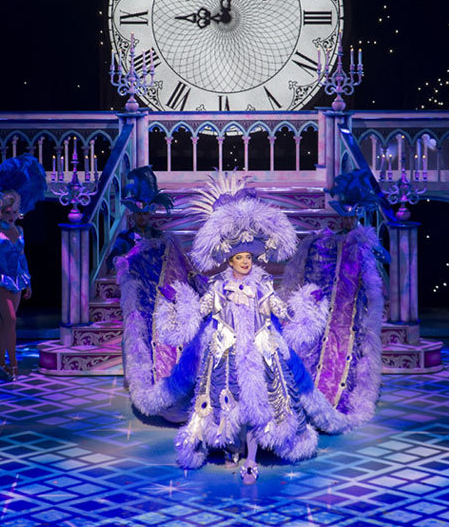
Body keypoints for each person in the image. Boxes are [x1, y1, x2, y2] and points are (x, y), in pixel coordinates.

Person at [156, 172, 331, 484]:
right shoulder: (219, 287)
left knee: (261, 402)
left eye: (248, 257)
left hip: (261, 351)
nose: (245, 262)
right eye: (239, 257)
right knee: (225, 399)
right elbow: (200, 311)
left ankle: (252, 457)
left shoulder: (263, 285)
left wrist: (307, 304)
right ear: (230, 260)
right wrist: (176, 302)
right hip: (225, 352)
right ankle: (229, 448)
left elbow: (283, 311)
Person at [281, 168, 384, 432]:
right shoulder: (323, 241)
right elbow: (310, 272)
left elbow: (377, 271)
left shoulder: (361, 243)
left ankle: (334, 402)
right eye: (344, 216)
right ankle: (309, 401)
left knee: (346, 352)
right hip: (326, 310)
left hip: (349, 312)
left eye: (352, 216)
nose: (348, 221)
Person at [112, 166, 204, 420]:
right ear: (132, 214)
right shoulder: (125, 238)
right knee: (135, 334)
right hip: (137, 295)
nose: (142, 218)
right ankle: (134, 379)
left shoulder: (161, 236)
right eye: (138, 214)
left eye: (146, 214)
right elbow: (116, 262)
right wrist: (128, 261)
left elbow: (172, 260)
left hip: (158, 295)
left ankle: (162, 378)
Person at [0, 155, 46, 380]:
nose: (11, 216)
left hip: (18, 279)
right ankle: (13, 365)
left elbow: (22, 257)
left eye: (13, 212)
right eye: (7, 213)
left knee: (5, 322)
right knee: (10, 320)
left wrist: (28, 282)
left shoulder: (20, 231)